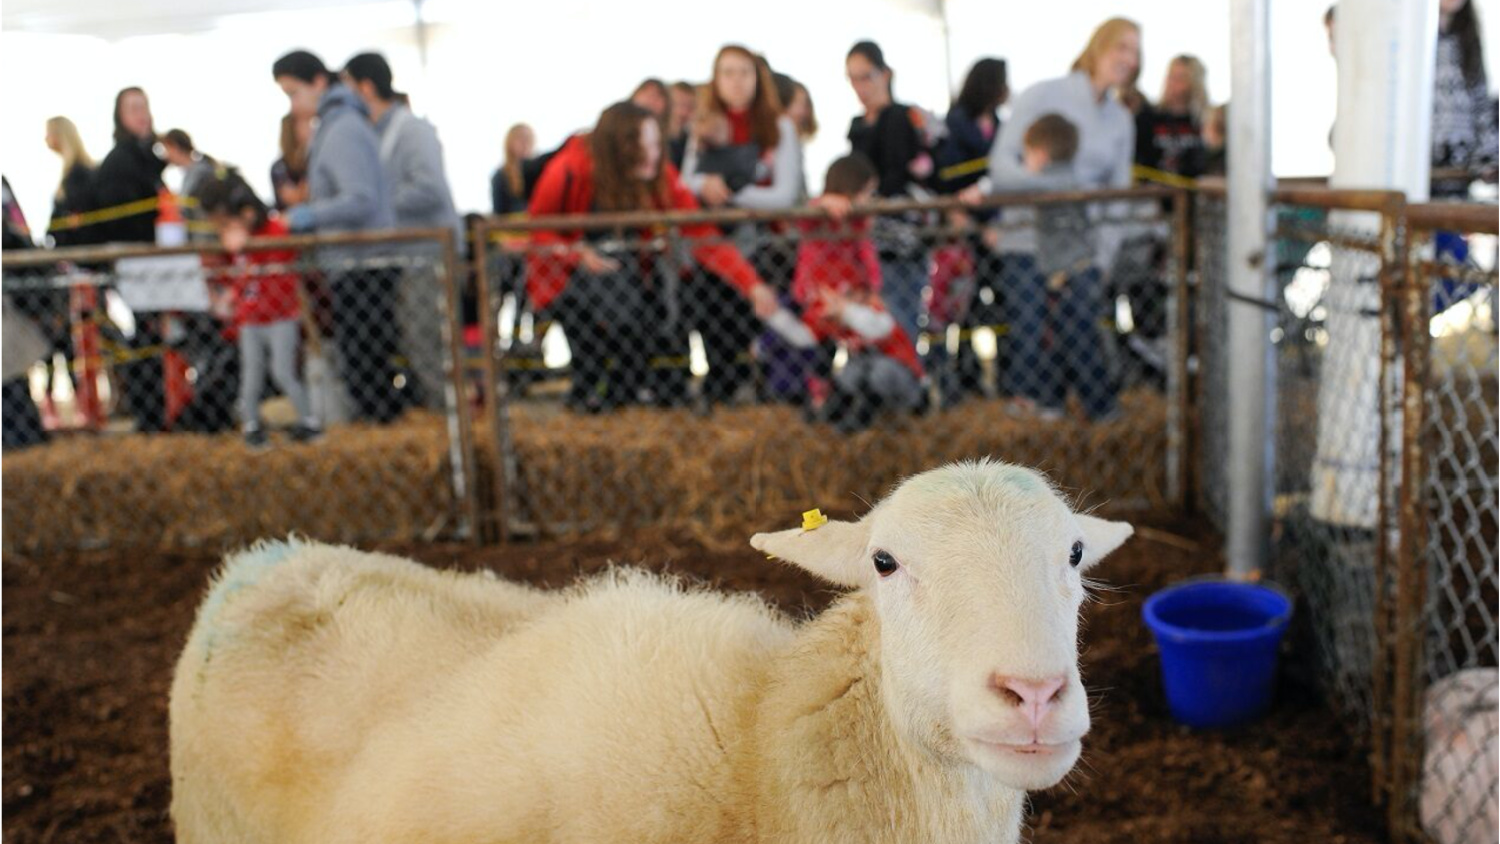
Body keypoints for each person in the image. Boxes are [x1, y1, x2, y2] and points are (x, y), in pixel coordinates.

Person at [526, 101, 779, 412]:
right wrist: (576, 254)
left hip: (627, 282)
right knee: (597, 354)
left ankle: (622, 399)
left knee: (639, 328)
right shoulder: (569, 168)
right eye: (639, 145)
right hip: (568, 281)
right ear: (617, 146)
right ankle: (590, 398)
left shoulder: (660, 175)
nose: (652, 154)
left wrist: (751, 284)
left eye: (656, 144)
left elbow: (702, 235)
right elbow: (537, 230)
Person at [272, 49, 404, 424]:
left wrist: (304, 215)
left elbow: (359, 198)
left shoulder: (342, 127)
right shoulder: (336, 125)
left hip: (363, 264)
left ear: (318, 82)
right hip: (354, 262)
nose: (293, 105)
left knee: (366, 366)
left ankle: (384, 436)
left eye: (293, 93)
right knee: (364, 364)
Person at [765, 154, 924, 432]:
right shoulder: (818, 217)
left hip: (848, 296)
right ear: (851, 190)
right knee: (818, 347)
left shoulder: (860, 223)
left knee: (856, 345)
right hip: (820, 294)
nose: (871, 199)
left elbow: (867, 256)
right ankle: (820, 398)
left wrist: (871, 289)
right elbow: (799, 219)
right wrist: (823, 203)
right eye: (867, 193)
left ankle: (852, 402)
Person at [976, 114, 1117, 423]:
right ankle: (1077, 405)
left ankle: (1058, 402)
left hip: (1053, 266)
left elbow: (1025, 222)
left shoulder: (1040, 183)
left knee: (1046, 333)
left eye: (1026, 155)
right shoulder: (1064, 182)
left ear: (1038, 154)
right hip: (1068, 268)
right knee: (1063, 336)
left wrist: (994, 219)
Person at [197, 169, 322, 449]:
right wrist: (226, 289)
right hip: (250, 319)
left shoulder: (275, 232)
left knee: (283, 372)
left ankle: (309, 422)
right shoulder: (234, 243)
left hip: (280, 317)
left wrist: (247, 253)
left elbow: (274, 271)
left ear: (247, 213)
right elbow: (234, 275)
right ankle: (251, 426)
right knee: (250, 376)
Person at [843, 40, 933, 348]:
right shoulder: (857, 125)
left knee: (900, 316)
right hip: (869, 238)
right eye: (853, 78)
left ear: (885, 74)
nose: (860, 86)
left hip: (899, 236)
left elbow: (896, 175)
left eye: (866, 76)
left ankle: (905, 379)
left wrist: (869, 200)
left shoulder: (899, 117)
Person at [1432, 0, 1498, 198]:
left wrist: (1489, 158)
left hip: (1459, 163)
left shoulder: (1468, 37)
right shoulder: (1411, 34)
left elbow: (1481, 102)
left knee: (1450, 221)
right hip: (1419, 158)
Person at [94, 87, 166, 245]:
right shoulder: (119, 161)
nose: (142, 114)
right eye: (134, 109)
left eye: (145, 107)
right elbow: (121, 221)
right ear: (120, 117)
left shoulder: (150, 158)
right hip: (133, 253)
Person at [1134, 55, 1208, 181]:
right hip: (1153, 194)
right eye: (1171, 76)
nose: (1173, 83)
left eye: (1181, 78)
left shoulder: (1204, 121)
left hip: (1193, 196)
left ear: (1194, 82)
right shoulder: (1148, 117)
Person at [44, 116, 98, 248]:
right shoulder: (75, 171)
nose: (45, 138)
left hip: (82, 253)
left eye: (48, 133)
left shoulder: (77, 173)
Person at [492, 123, 538, 215]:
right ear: (509, 143)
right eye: (520, 139)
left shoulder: (540, 171)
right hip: (513, 227)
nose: (525, 144)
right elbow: (499, 214)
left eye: (529, 139)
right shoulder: (500, 176)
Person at [160, 129, 217, 201]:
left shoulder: (201, 173)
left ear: (175, 147)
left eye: (166, 149)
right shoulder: (191, 173)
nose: (165, 155)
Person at [271, 112, 311, 212]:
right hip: (292, 223)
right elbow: (293, 198)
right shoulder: (279, 167)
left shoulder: (309, 160)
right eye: (303, 123)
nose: (310, 127)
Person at [667, 81, 697, 169]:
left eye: (690, 106)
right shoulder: (654, 140)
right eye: (677, 104)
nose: (683, 112)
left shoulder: (694, 141)